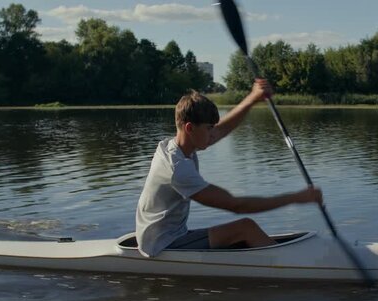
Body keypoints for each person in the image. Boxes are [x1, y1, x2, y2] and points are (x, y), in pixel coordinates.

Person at [135, 79, 322, 257]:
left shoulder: (177, 146)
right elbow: (236, 205)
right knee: (245, 228)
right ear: (190, 128)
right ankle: (288, 265)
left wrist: (253, 97)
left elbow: (222, 129)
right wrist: (297, 198)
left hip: (166, 234)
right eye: (209, 128)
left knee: (245, 231)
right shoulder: (177, 168)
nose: (212, 133)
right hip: (161, 244)